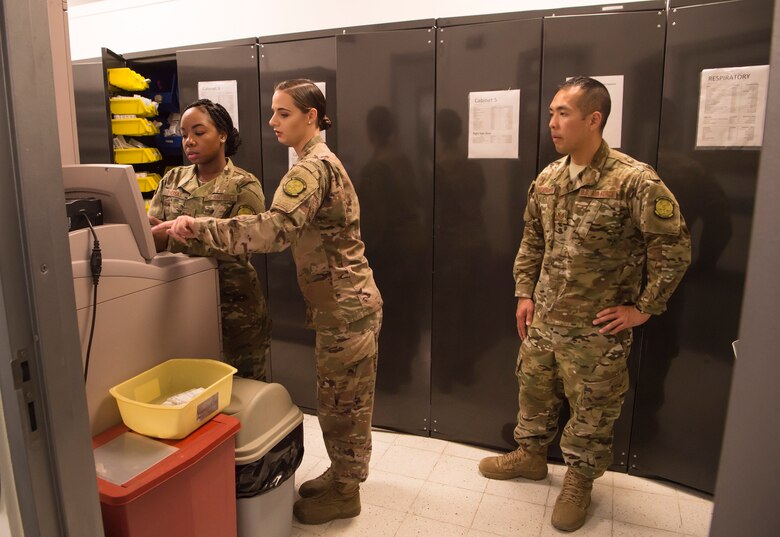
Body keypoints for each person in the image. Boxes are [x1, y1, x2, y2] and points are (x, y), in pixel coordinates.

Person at [153, 80, 383, 525]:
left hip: (346, 307)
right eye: (273, 112)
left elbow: (272, 230)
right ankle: (341, 476)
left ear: (311, 117)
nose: (272, 122)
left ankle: (346, 490)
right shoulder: (313, 163)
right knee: (338, 398)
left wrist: (197, 226)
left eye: (283, 113)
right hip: (342, 305)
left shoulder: (311, 169)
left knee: (345, 405)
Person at [478, 76, 691, 532]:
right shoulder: (550, 179)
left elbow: (673, 248)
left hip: (597, 330)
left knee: (593, 408)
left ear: (593, 119)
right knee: (533, 391)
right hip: (545, 320)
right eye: (552, 112)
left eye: (563, 114)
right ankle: (532, 456)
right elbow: (532, 240)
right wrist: (523, 292)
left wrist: (645, 308)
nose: (552, 123)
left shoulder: (633, 181)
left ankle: (579, 479)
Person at [147, 99, 271, 381]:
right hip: (182, 303)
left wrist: (176, 236)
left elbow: (246, 240)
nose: (189, 141)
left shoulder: (243, 184)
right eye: (184, 134)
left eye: (199, 133)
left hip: (234, 309)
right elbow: (153, 238)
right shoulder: (172, 180)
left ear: (223, 135)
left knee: (242, 389)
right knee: (195, 388)